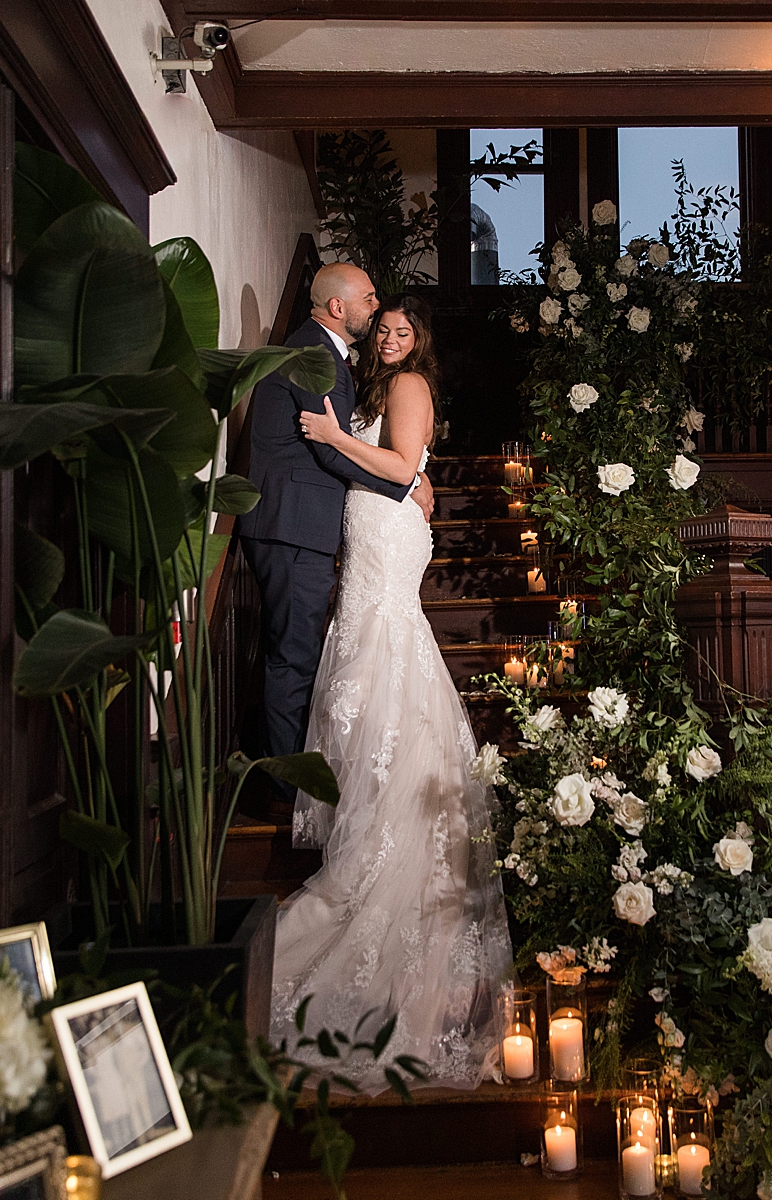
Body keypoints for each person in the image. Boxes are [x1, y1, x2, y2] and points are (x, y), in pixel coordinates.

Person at [268, 294, 512, 1091]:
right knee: (360, 667)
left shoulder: (407, 389)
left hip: (387, 537)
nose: (393, 338)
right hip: (369, 533)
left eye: (406, 330)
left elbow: (405, 469)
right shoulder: (373, 388)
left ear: (421, 344)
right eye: (385, 331)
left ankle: (383, 837)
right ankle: (368, 811)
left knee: (381, 654)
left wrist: (338, 437)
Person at [234, 264, 433, 808]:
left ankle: (303, 777)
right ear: (339, 308)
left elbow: (348, 444)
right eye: (370, 301)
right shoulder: (316, 354)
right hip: (293, 526)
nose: (376, 311)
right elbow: (326, 446)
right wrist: (404, 486)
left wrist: (405, 475)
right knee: (294, 657)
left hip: (305, 527)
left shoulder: (332, 358)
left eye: (400, 328)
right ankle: (285, 787)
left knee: (300, 653)